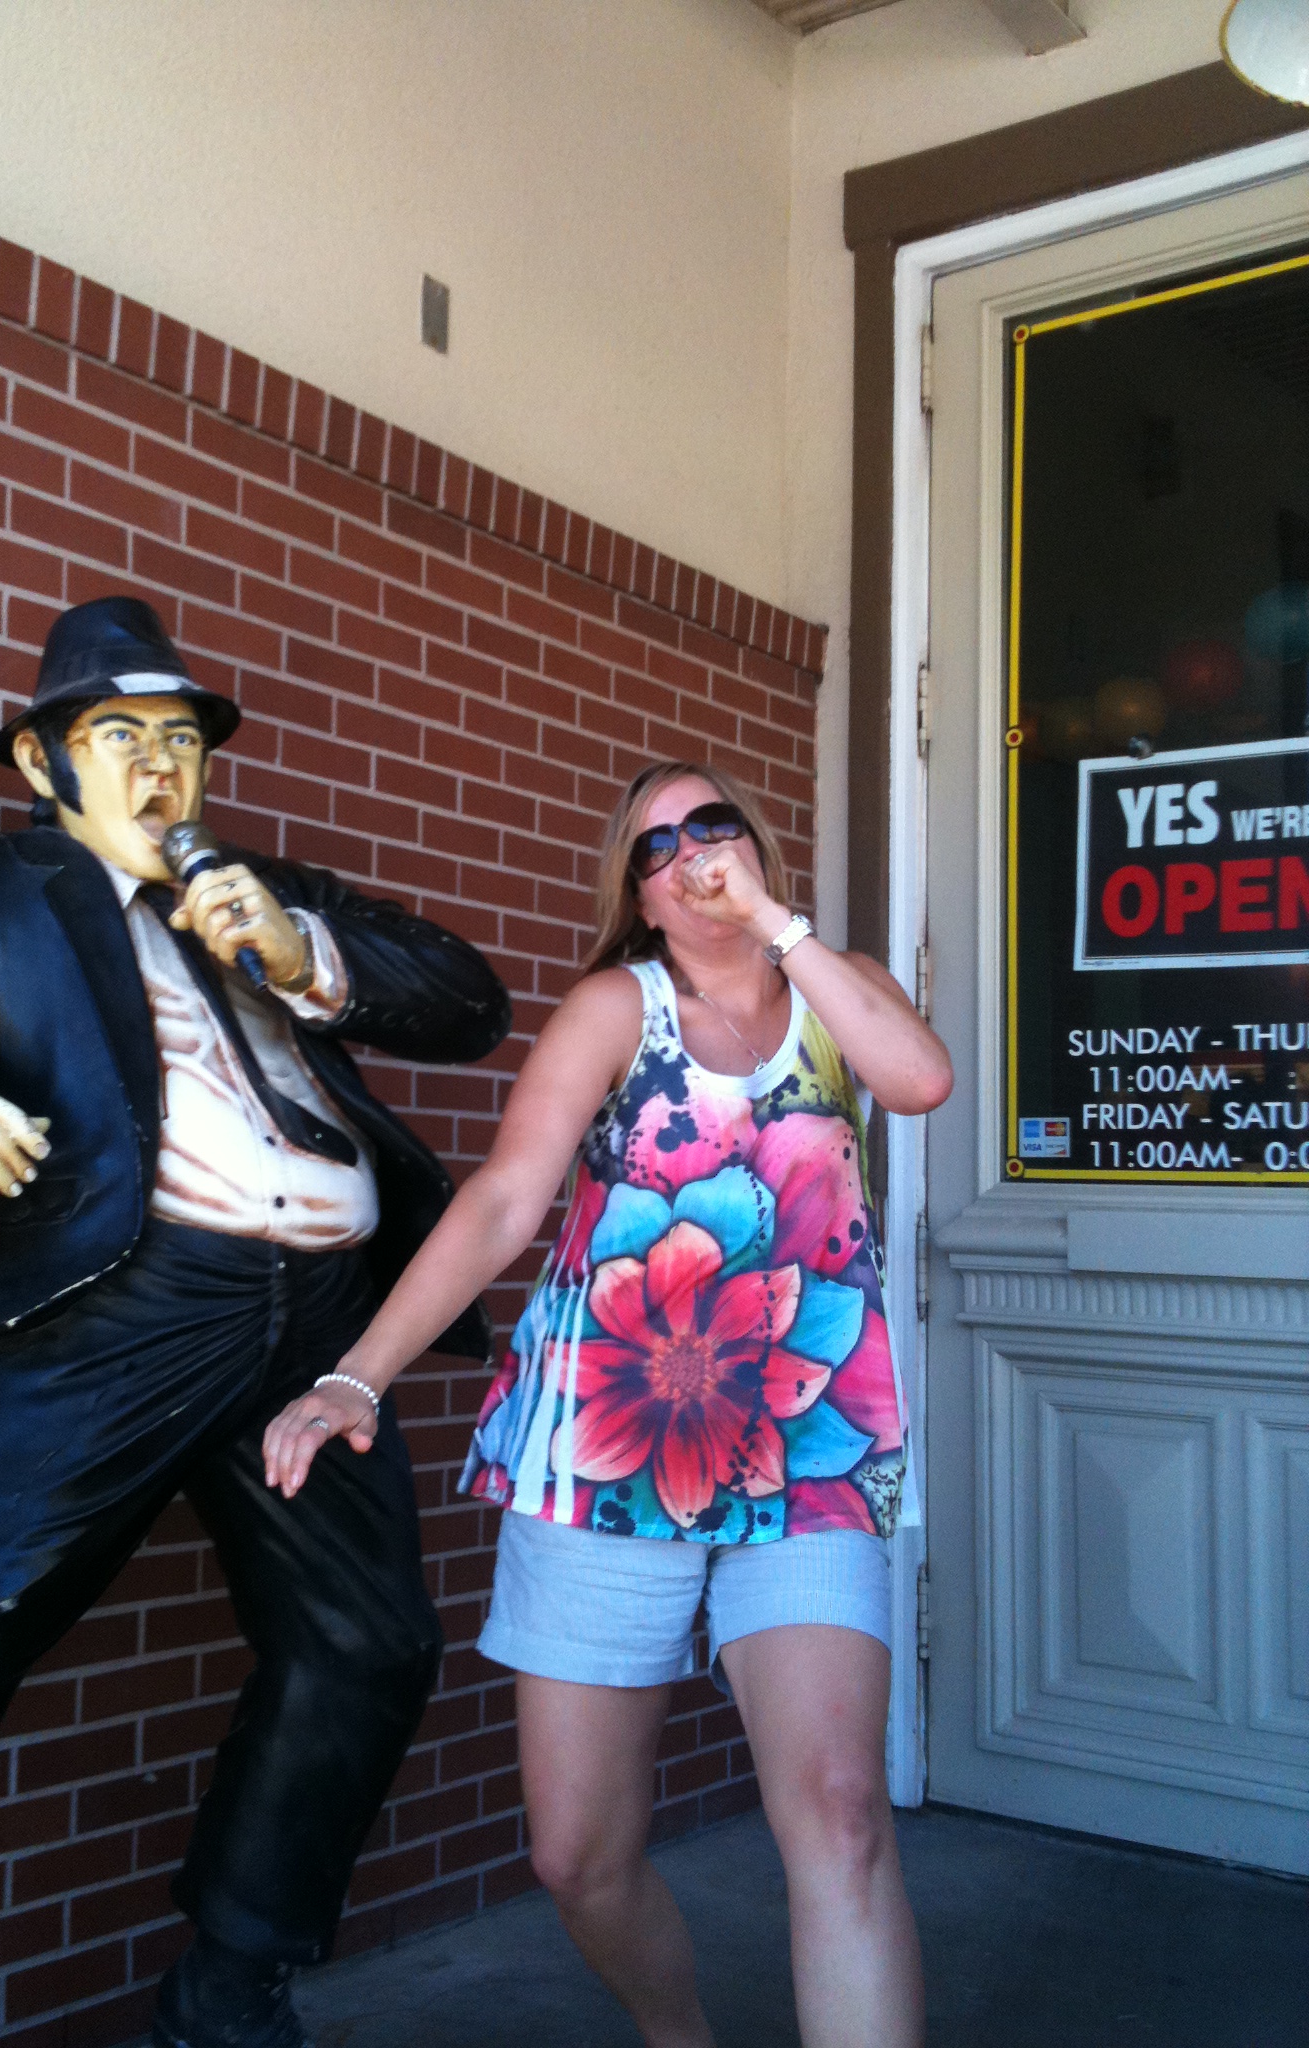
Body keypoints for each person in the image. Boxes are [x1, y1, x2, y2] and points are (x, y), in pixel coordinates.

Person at [0, 596, 511, 2048]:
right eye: (118, 735)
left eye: (181, 739)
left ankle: (230, 1992)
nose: (159, 765)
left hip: (320, 1327)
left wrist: (300, 952)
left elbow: (466, 1002)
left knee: (366, 1642)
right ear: (43, 763)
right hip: (123, 1307)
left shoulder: (261, 891)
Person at [264, 759, 953, 2048]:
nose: (691, 855)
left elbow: (917, 1081)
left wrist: (780, 928)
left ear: (755, 850)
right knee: (577, 1855)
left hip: (812, 1450)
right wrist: (358, 1373)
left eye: (713, 827)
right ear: (635, 897)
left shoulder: (833, 984)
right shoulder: (612, 1008)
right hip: (606, 1450)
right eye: (656, 847)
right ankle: (678, 2035)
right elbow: (503, 1202)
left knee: (844, 1813)